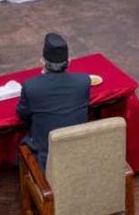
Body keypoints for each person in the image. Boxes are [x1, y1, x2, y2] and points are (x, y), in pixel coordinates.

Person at [16, 33, 92, 170]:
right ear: (69, 61)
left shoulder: (31, 86)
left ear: (42, 61)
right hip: (79, 152)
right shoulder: (84, 81)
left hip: (48, 161)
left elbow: (22, 114)